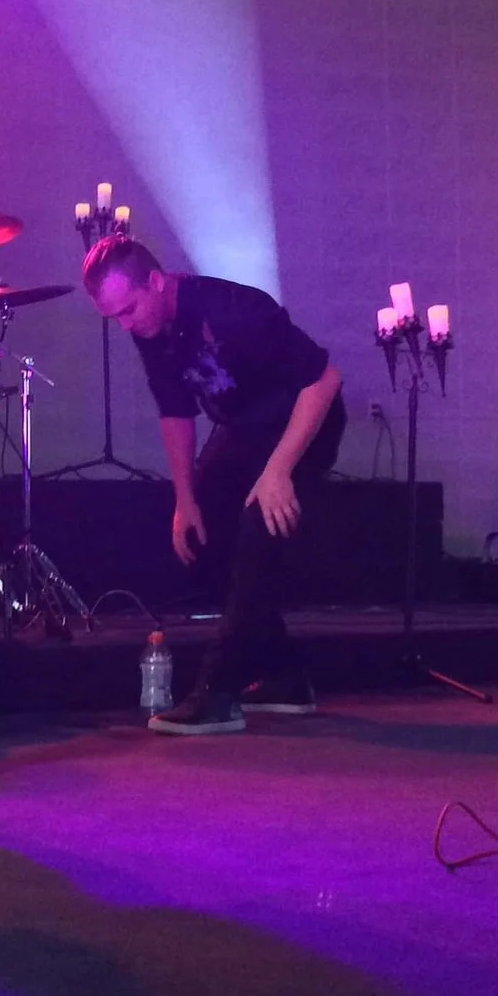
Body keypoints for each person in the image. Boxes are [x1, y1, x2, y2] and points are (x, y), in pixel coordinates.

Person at [81, 233, 344, 734]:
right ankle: (285, 676)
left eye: (128, 310)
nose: (125, 325)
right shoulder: (150, 328)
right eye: (114, 318)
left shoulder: (235, 312)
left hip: (302, 425)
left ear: (156, 282)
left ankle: (218, 693)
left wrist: (278, 472)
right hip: (244, 430)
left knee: (258, 534)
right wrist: (185, 498)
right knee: (200, 543)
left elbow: (323, 380)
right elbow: (175, 412)